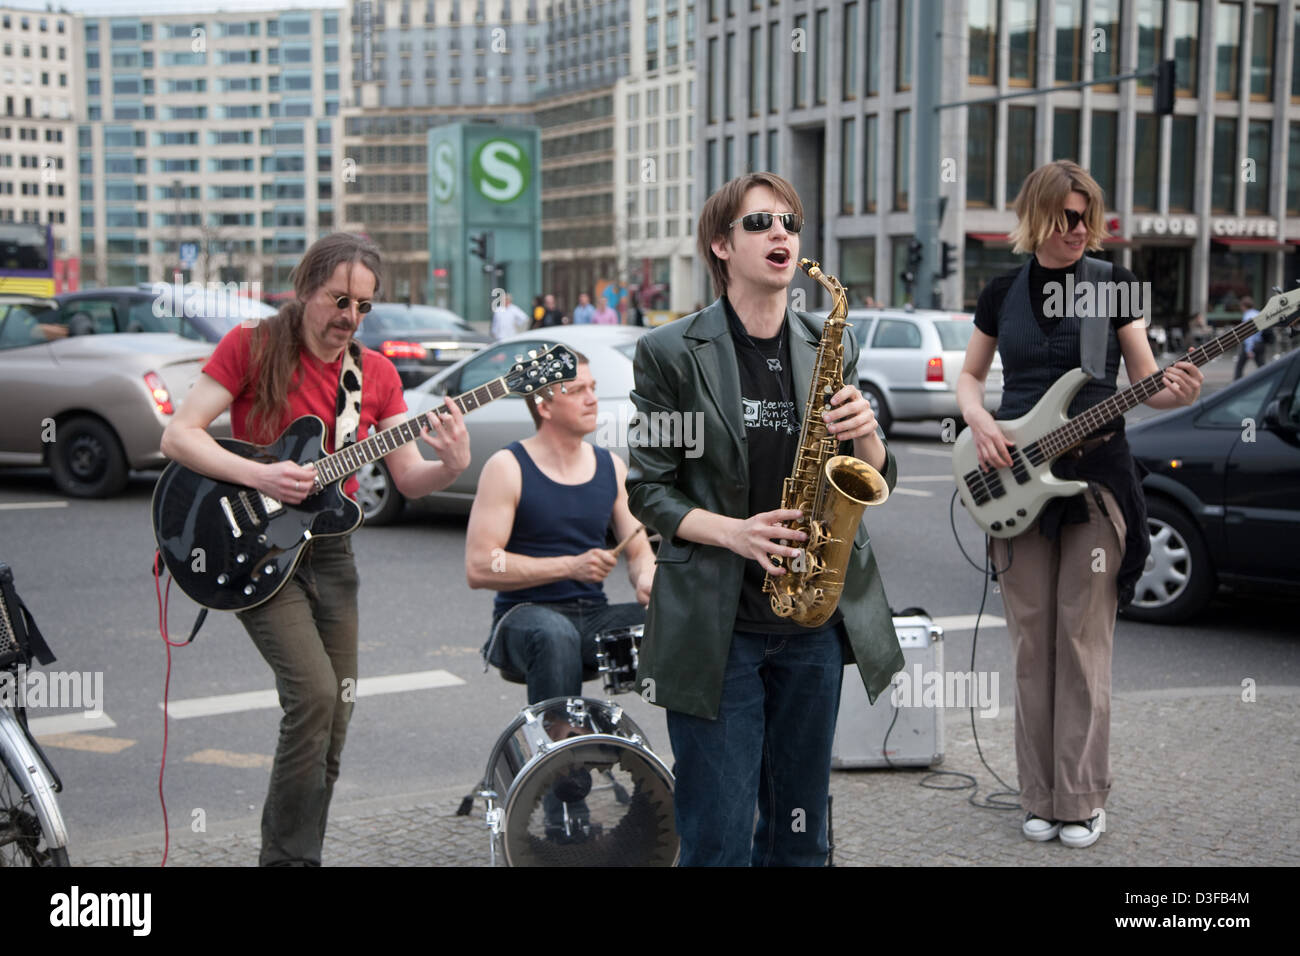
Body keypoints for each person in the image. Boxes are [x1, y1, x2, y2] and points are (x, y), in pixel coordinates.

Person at [160, 233, 472, 865]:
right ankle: (287, 860)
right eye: (338, 301)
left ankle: (302, 853)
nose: (349, 318)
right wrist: (260, 475)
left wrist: (452, 466)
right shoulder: (249, 348)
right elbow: (179, 436)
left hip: (330, 553)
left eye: (363, 307)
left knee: (336, 720)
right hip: (253, 547)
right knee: (314, 697)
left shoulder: (375, 374)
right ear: (305, 288)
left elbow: (408, 478)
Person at [626, 172, 902, 867]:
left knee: (803, 838)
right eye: (759, 224)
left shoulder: (828, 343)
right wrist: (737, 533)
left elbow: (874, 477)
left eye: (790, 221)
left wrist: (867, 432)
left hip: (811, 624)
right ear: (721, 244)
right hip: (718, 632)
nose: (781, 234)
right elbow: (650, 493)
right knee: (717, 840)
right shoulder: (673, 355)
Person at [957, 160, 1202, 850]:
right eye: (1065, 216)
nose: (1078, 229)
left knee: (1083, 644)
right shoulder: (1001, 292)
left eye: (1086, 216)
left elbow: (1146, 382)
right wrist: (979, 421)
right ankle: (1039, 795)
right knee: (1033, 647)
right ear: (1037, 216)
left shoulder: (1112, 286)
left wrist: (1177, 390)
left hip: (1095, 480)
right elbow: (971, 377)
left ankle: (1083, 798)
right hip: (1015, 479)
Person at [467, 354, 655, 706]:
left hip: (592, 615)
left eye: (593, 388)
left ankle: (680, 753)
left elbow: (639, 549)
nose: (592, 398)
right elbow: (480, 566)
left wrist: (646, 578)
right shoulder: (507, 467)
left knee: (677, 619)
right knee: (556, 635)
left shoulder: (610, 466)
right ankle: (561, 751)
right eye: (578, 389)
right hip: (523, 616)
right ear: (545, 406)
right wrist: (570, 566)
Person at [1233, 296, 1264, 380]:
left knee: (1240, 366)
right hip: (1260, 343)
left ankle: (1236, 383)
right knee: (1261, 365)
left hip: (1251, 344)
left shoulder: (1247, 317)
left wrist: (1249, 349)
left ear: (1243, 306)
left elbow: (1249, 334)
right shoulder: (1257, 313)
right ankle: (1266, 379)